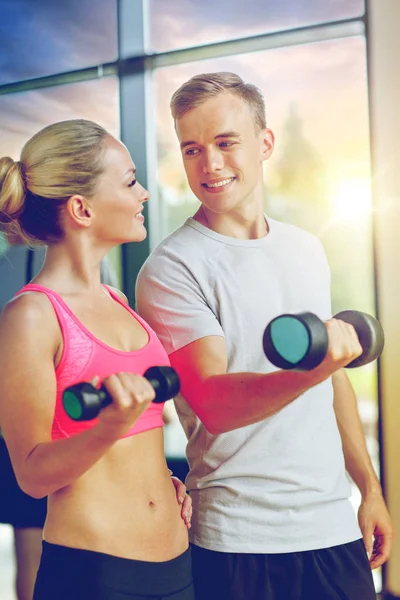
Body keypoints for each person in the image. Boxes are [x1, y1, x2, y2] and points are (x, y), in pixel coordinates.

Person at [136, 72, 394, 600]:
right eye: (192, 149)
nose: (210, 164)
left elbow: (335, 379)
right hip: (239, 540)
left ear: (265, 142)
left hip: (332, 529)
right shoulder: (172, 267)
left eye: (226, 142)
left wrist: (369, 489)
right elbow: (215, 403)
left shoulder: (305, 248)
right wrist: (317, 368)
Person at [0, 119, 194, 600]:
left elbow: (138, 436)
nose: (145, 193)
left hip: (176, 565)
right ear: (82, 208)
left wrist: (160, 480)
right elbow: (31, 475)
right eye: (130, 181)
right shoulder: (32, 316)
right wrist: (107, 426)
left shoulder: (118, 301)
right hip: (96, 576)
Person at [0, 239, 118, 600]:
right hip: (64, 431)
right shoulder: (89, 269)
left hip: (17, 433)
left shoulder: (8, 264)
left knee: (32, 552)